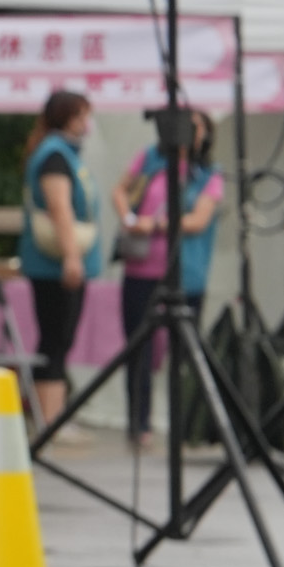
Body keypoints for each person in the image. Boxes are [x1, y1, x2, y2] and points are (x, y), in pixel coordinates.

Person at [112, 109, 225, 444]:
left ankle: (185, 423)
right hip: (142, 269)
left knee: (184, 352)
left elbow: (199, 220)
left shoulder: (208, 174)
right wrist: (129, 219)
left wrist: (155, 225)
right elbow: (120, 190)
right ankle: (139, 422)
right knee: (139, 348)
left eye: (197, 127)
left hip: (185, 274)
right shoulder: (150, 158)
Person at [16, 89, 101, 431]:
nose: (86, 123)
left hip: (55, 264)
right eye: (82, 116)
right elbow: (59, 208)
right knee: (55, 339)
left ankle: (52, 415)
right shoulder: (54, 156)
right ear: (68, 118)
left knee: (58, 340)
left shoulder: (59, 152)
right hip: (54, 266)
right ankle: (49, 420)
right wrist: (72, 257)